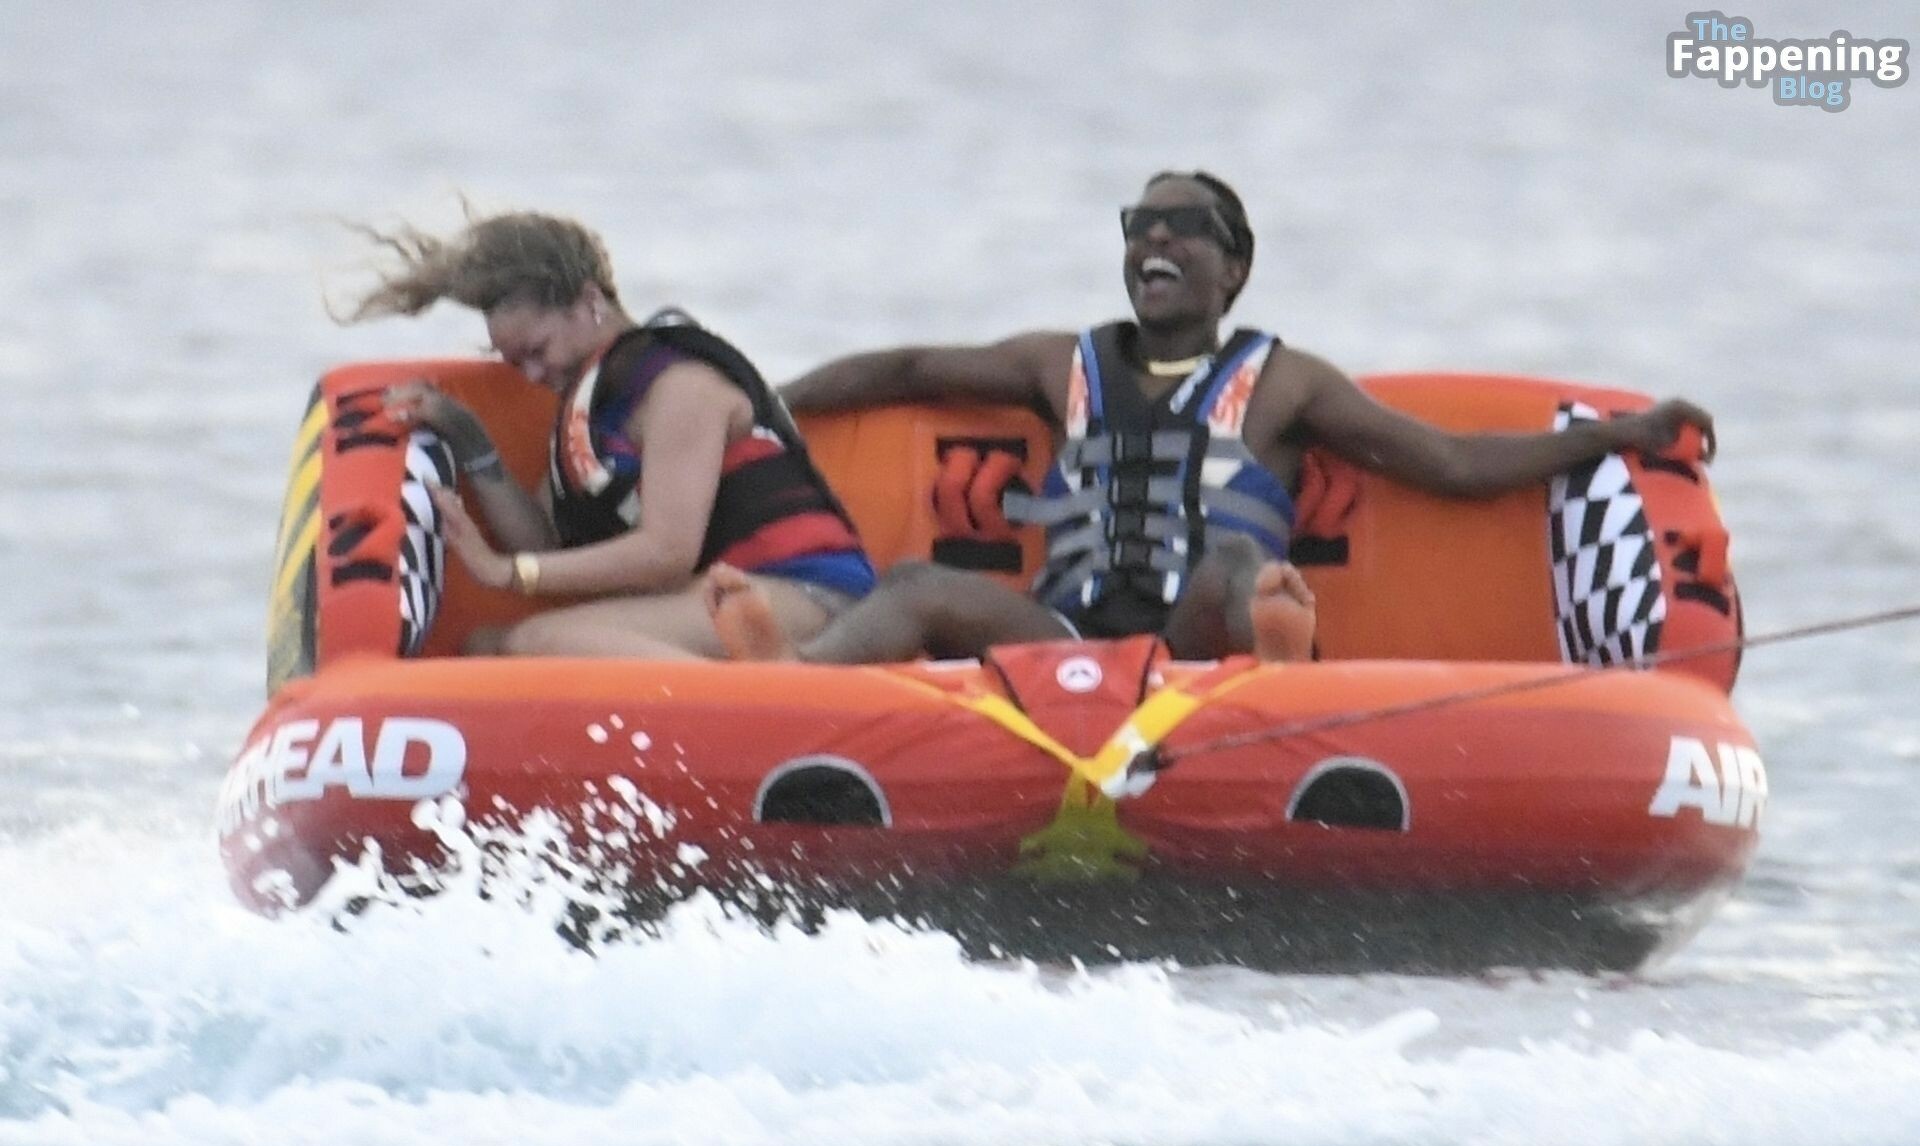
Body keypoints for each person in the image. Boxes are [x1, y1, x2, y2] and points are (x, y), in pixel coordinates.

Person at [705, 170, 1714, 664]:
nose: (1155, 238)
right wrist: (762, 407)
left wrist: (1612, 436)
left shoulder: (1286, 383)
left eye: (1184, 226)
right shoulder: (1058, 362)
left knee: (1239, 566)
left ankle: (1280, 674)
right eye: (1139, 226)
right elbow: (905, 366)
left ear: (1233, 267)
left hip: (1195, 641)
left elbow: (1450, 462)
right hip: (1067, 638)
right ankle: (792, 681)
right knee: (920, 585)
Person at [339, 208, 875, 658]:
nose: (532, 375)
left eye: (537, 350)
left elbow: (667, 552)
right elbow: (545, 543)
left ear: (590, 301)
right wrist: (467, 437)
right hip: (725, 595)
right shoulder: (593, 410)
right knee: (486, 646)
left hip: (812, 597)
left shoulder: (679, 387)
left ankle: (769, 709)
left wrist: (506, 573)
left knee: (537, 642)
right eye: (514, 362)